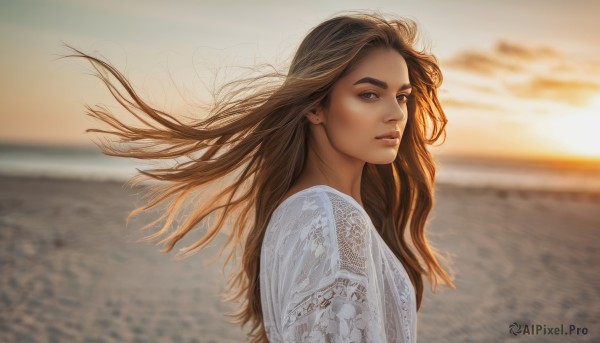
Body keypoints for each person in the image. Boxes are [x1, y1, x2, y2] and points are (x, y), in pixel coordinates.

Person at [62, 11, 454, 343]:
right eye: (370, 94)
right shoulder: (331, 218)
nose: (397, 113)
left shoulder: (298, 211)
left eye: (402, 96)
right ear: (316, 106)